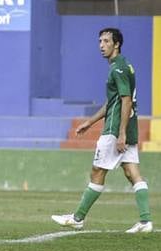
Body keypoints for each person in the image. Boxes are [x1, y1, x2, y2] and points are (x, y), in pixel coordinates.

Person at [53, 27, 153, 234]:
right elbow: (114, 101)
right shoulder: (124, 66)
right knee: (131, 171)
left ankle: (77, 218)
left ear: (116, 44)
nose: (101, 45)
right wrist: (90, 122)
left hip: (115, 129)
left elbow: (125, 101)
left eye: (106, 41)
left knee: (97, 171)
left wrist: (121, 133)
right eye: (100, 41)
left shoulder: (117, 69)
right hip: (126, 126)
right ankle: (145, 221)